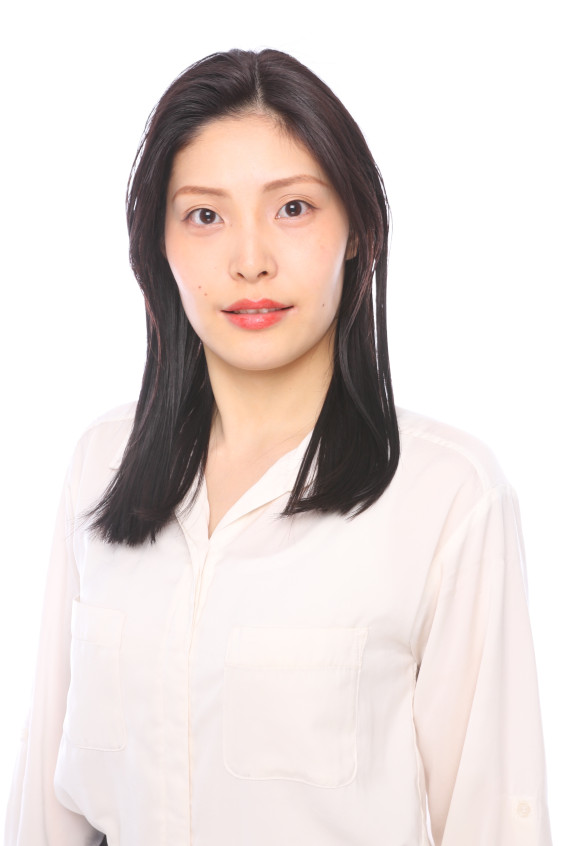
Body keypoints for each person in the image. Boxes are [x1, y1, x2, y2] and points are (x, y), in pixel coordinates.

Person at [4, 48, 552, 846]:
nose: (250, 261)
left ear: (358, 229)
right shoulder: (101, 464)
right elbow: (45, 815)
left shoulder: (447, 496)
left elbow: (492, 821)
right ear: (158, 245)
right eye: (205, 216)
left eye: (293, 208)